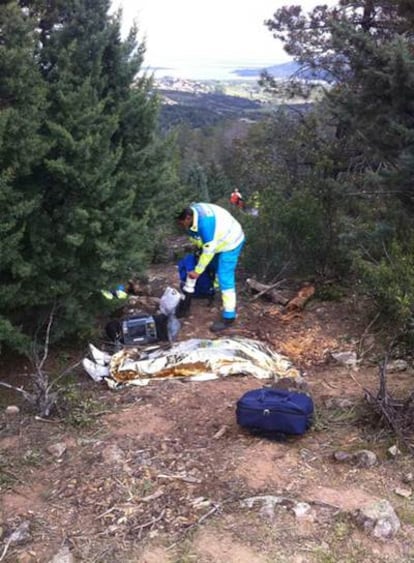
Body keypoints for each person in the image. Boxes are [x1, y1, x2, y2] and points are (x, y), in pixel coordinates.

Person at [176, 203, 245, 332]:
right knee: (213, 266)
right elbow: (199, 240)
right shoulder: (193, 214)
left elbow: (208, 250)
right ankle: (215, 290)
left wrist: (197, 271)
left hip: (230, 242)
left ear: (187, 218)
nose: (180, 226)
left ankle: (229, 316)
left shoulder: (206, 225)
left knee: (225, 276)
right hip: (217, 240)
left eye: (181, 223)